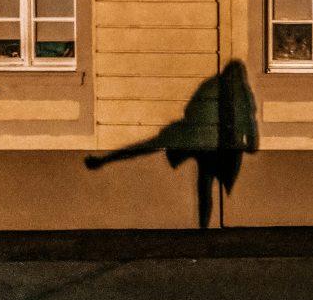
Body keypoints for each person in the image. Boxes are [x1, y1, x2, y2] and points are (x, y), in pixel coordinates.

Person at [84, 60, 258, 229]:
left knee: (153, 149)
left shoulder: (211, 85)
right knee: (205, 182)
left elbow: (189, 109)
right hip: (219, 146)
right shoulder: (243, 93)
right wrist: (249, 143)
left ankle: (105, 160)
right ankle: (204, 226)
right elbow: (249, 123)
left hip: (196, 140)